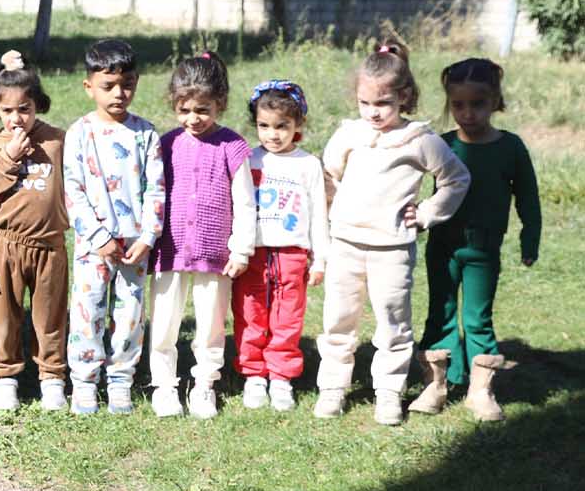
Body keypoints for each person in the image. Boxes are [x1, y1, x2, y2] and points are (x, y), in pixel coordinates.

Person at [316, 40, 470, 425]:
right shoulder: (349, 135)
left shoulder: (420, 140)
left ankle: (388, 391)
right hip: (346, 244)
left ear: (403, 96)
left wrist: (428, 212)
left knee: (393, 321)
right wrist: (335, 216)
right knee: (339, 318)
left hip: (392, 249)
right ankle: (333, 387)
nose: (373, 112)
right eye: (365, 103)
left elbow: (456, 178)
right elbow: (328, 175)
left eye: (382, 104)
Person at [410, 57, 540, 422]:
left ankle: (480, 391)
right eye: (458, 104)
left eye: (477, 103)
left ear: (495, 100)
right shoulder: (441, 144)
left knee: (478, 318)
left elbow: (528, 197)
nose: (467, 113)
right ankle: (438, 383)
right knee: (441, 312)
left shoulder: (510, 147)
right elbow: (408, 182)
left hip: (483, 250)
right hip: (443, 247)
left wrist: (530, 240)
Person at [148, 52, 257, 420]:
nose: (192, 119)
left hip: (215, 253)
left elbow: (244, 202)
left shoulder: (232, 146)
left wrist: (241, 248)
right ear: (174, 105)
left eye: (202, 110)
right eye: (184, 110)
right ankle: (164, 386)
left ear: (220, 104)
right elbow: (154, 193)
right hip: (170, 250)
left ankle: (205, 384)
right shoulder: (165, 144)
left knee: (211, 325)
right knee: (164, 322)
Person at [63, 39, 165, 416]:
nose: (119, 93)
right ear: (89, 86)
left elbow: (156, 188)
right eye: (108, 86)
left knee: (130, 312)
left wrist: (148, 236)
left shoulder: (145, 134)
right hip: (95, 245)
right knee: (88, 310)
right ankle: (85, 382)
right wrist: (98, 236)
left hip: (135, 244)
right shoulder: (79, 133)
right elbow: (72, 189)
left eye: (127, 84)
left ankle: (121, 379)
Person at [0, 51, 69, 412]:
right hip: (8, 246)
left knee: (51, 315)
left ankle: (52, 376)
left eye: (24, 109)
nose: (17, 118)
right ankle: (6, 376)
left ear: (37, 106)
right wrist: (9, 157)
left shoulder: (57, 140)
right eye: (8, 111)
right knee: (4, 316)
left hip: (50, 245)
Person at [232, 80, 329, 413]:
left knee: (287, 318)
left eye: (282, 126)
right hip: (254, 252)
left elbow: (319, 213)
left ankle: (281, 376)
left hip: (291, 253)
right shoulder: (248, 159)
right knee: (250, 314)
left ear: (297, 124)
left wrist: (319, 260)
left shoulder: (308, 164)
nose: (272, 134)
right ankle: (255, 375)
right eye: (264, 126)